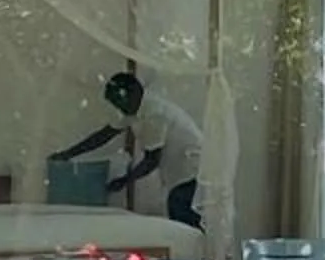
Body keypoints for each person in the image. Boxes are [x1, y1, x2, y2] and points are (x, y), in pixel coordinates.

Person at [47, 68, 206, 228]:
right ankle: (195, 251)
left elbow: (151, 161)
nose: (118, 108)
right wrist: (68, 154)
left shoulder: (154, 115)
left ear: (133, 95)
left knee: (183, 217)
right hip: (183, 173)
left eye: (118, 101)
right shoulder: (135, 110)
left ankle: (197, 253)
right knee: (181, 216)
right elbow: (104, 135)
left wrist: (124, 180)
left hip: (190, 170)